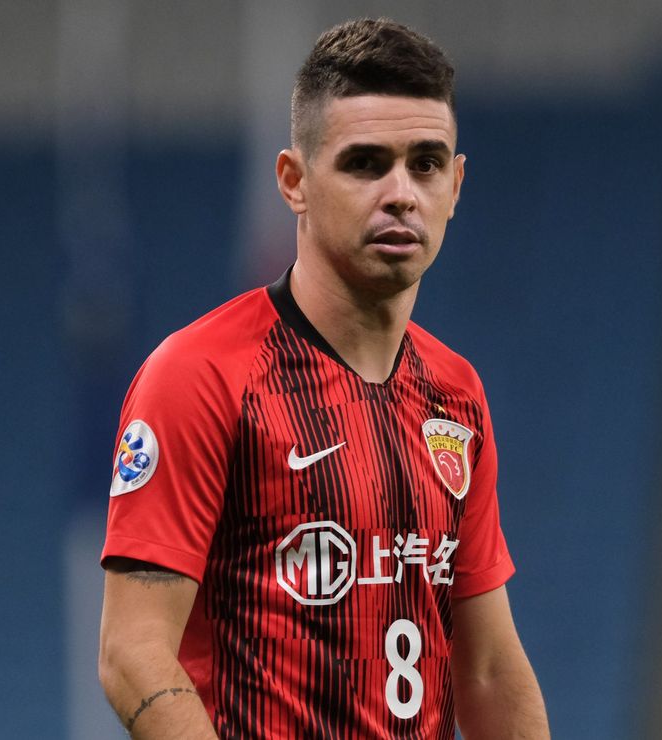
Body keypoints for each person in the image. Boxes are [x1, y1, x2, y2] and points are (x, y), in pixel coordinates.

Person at [98, 17, 549, 739]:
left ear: (456, 185)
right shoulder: (199, 376)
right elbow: (132, 653)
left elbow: (490, 669)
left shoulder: (456, 395)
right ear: (294, 182)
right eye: (365, 163)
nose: (401, 193)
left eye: (426, 164)